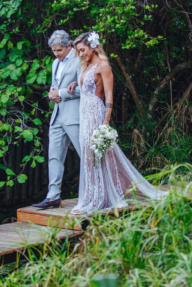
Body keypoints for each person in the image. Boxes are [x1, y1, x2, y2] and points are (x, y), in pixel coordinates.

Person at [67, 32, 168, 214]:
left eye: (82, 50)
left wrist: (106, 120)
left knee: (97, 153)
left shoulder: (103, 65)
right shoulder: (86, 65)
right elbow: (86, 83)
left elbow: (108, 94)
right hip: (84, 113)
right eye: (79, 51)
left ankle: (106, 196)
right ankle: (92, 196)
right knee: (88, 153)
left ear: (92, 47)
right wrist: (75, 82)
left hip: (95, 112)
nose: (80, 54)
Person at [32, 30, 81, 209]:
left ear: (69, 46)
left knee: (85, 155)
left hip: (74, 116)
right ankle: (53, 196)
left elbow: (86, 87)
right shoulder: (54, 63)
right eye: (54, 51)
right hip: (57, 116)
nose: (56, 54)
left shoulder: (79, 60)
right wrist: (52, 94)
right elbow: (55, 85)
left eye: (59, 50)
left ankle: (89, 195)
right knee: (54, 156)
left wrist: (60, 94)